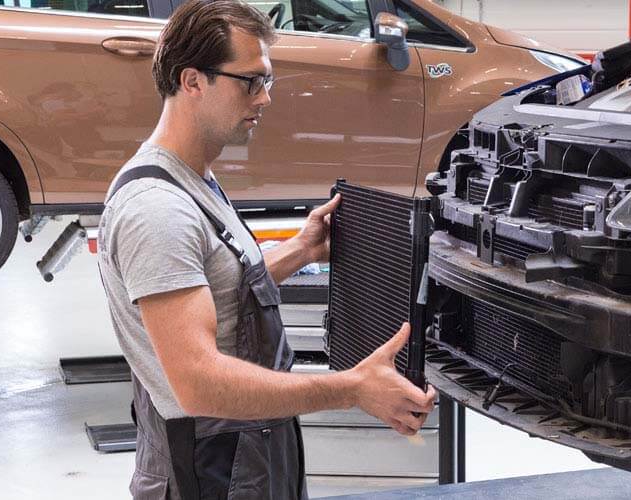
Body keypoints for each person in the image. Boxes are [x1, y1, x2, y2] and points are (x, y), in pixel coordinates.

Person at [96, 2, 436, 498]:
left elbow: (216, 287)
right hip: (211, 466)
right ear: (193, 81)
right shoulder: (157, 210)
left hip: (246, 446)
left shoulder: (194, 178)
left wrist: (301, 249)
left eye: (268, 81)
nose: (265, 99)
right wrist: (351, 388)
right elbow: (198, 382)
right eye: (250, 82)